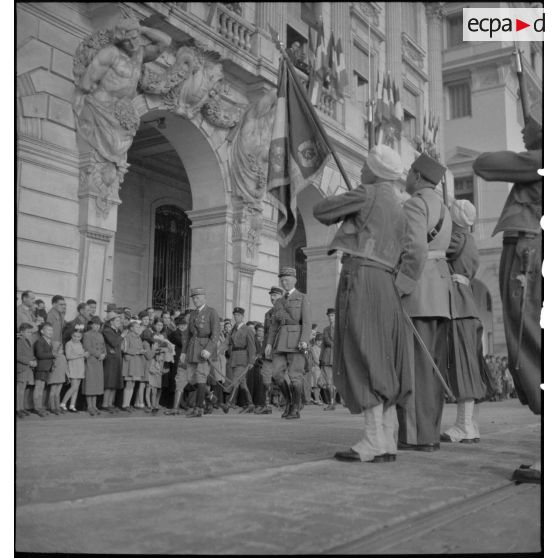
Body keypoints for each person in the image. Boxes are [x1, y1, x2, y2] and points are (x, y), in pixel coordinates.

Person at [313, 145, 412, 462]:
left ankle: (372, 439)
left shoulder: (367, 192)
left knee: (361, 350)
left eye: (366, 166)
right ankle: (385, 439)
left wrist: (352, 197)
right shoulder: (399, 204)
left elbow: (321, 211)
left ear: (373, 169)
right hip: (386, 281)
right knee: (381, 353)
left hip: (362, 276)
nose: (361, 170)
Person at [473, 101, 542, 484]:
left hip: (531, 252)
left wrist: (537, 144)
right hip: (532, 247)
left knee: (530, 344)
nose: (523, 128)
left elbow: (484, 164)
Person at [394, 152, 453, 453]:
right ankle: (429, 431)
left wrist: (400, 286)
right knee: (432, 367)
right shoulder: (444, 207)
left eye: (408, 173)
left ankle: (418, 436)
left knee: (415, 368)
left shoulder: (414, 204)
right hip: (440, 292)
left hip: (418, 292)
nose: (405, 177)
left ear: (417, 176)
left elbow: (415, 250)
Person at [440, 200, 493, 444]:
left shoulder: (457, 237)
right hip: (467, 303)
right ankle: (471, 425)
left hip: (458, 305)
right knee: (470, 365)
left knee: (462, 366)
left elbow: (434, 247)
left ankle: (464, 426)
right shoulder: (469, 239)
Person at [265, 267, 312, 420]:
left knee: (295, 377)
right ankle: (289, 402)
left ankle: (295, 408)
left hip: (296, 341)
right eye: (282, 280)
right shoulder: (279, 301)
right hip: (280, 342)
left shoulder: (302, 297)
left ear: (294, 280)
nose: (284, 282)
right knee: (277, 374)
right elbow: (273, 326)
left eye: (287, 279)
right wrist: (269, 344)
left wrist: (304, 341)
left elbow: (306, 322)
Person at [180, 287, 221, 418]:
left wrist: (209, 349)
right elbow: (187, 335)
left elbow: (215, 333)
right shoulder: (192, 314)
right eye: (193, 298)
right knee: (191, 378)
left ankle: (198, 409)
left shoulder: (211, 312)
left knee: (201, 376)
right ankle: (211, 397)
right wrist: (183, 352)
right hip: (192, 349)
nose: (195, 300)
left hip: (204, 349)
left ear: (204, 297)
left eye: (198, 297)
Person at [254, 286, 283, 415]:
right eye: (271, 295)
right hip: (269, 352)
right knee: (266, 378)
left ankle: (288, 403)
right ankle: (267, 405)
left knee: (283, 378)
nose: (272, 297)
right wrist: (261, 351)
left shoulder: (286, 311)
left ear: (281, 296)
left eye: (275, 295)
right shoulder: (268, 314)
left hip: (282, 351)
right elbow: (266, 334)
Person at [224, 307, 257, 413]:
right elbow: (226, 343)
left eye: (238, 315)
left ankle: (228, 403)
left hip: (243, 358)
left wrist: (251, 361)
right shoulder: (233, 328)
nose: (235, 317)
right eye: (234, 315)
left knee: (236, 380)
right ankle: (250, 404)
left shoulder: (247, 329)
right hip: (234, 357)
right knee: (242, 382)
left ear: (243, 316)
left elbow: (252, 346)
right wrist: (213, 353)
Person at [121, 320, 147, 412]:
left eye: (139, 327)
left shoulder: (138, 338)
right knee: (129, 384)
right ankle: (125, 405)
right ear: (131, 328)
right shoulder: (127, 337)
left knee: (132, 384)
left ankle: (127, 404)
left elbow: (139, 348)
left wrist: (142, 351)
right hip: (130, 362)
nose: (138, 328)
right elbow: (123, 348)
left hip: (136, 362)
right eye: (136, 327)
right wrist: (137, 351)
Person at [82, 316, 106, 416]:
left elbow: (104, 347)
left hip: (99, 362)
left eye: (98, 325)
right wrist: (98, 354)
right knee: (90, 384)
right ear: (92, 325)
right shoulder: (87, 335)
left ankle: (94, 405)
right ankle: (89, 406)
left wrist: (104, 354)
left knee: (96, 384)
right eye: (95, 324)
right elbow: (87, 347)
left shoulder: (100, 335)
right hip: (91, 361)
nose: (97, 326)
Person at [61, 328, 88, 412]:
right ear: (71, 336)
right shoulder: (69, 344)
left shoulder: (80, 343)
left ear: (81, 337)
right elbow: (68, 356)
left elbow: (81, 354)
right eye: (74, 336)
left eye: (79, 337)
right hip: (73, 366)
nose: (76, 338)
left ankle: (72, 405)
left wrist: (85, 355)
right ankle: (63, 403)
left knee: (76, 388)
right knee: (73, 387)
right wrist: (82, 355)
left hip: (80, 366)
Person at [101, 312, 123, 412]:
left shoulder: (117, 331)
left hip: (117, 358)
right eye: (117, 320)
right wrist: (122, 336)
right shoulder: (107, 330)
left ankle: (110, 403)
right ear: (111, 322)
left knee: (115, 382)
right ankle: (105, 404)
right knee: (109, 382)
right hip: (110, 359)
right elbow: (114, 342)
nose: (120, 322)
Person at [33, 322, 56, 417]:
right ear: (42, 331)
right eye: (48, 330)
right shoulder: (40, 341)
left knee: (41, 388)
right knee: (38, 387)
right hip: (41, 367)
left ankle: (40, 407)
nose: (51, 332)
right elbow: (39, 354)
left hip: (46, 368)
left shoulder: (48, 341)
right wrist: (53, 355)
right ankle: (37, 407)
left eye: (52, 330)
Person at [16, 323, 37, 418]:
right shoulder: (19, 341)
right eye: (28, 332)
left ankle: (21, 408)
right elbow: (17, 356)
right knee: (19, 390)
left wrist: (33, 360)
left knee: (23, 389)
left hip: (27, 368)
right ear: (21, 332)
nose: (30, 334)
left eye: (31, 332)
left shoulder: (28, 341)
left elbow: (30, 354)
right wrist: (29, 362)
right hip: (22, 368)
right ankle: (17, 409)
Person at [320, 308, 337, 411]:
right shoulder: (326, 329)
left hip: (336, 357)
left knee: (336, 383)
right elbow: (323, 344)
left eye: (333, 315)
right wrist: (320, 358)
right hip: (327, 356)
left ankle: (336, 401)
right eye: (329, 316)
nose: (331, 318)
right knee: (329, 382)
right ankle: (331, 403)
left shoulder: (341, 329)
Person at [47, 341, 69, 415]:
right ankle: (52, 407)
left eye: (62, 349)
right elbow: (51, 367)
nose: (61, 350)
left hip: (61, 377)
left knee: (58, 393)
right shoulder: (53, 356)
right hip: (54, 377)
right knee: (52, 392)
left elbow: (66, 367)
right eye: (59, 349)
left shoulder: (63, 357)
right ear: (55, 349)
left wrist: (67, 377)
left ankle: (57, 407)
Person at [310, 333, 324, 405]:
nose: (320, 342)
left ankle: (317, 398)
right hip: (316, 367)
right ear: (315, 341)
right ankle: (316, 399)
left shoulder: (321, 348)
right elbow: (315, 359)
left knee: (320, 384)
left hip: (320, 367)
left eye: (321, 341)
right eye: (318, 340)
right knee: (316, 384)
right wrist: (320, 364)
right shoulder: (313, 348)